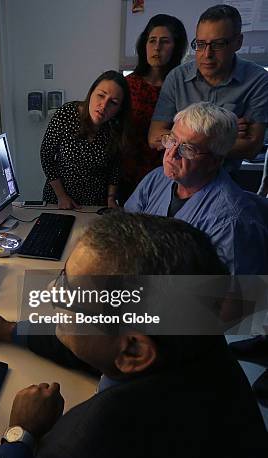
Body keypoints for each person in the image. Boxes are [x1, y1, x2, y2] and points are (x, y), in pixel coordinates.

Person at [0, 213, 266, 457]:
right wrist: (9, 329)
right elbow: (96, 342)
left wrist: (20, 434)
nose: (50, 293)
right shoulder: (194, 340)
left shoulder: (85, 444)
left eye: (69, 293)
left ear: (133, 352)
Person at [125, 102, 268, 274]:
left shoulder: (231, 221)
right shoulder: (156, 179)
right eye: (172, 140)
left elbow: (232, 295)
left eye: (187, 149)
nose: (171, 154)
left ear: (214, 161)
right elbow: (127, 233)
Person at [148, 4, 268, 174]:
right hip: (178, 177)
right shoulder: (177, 77)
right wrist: (222, 137)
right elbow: (154, 137)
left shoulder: (257, 80)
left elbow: (251, 147)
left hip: (225, 181)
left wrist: (178, 136)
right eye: (201, 44)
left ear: (238, 42)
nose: (207, 54)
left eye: (218, 44)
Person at [40, 70, 132, 209]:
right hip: (60, 200)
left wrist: (111, 198)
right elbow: (46, 155)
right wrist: (61, 196)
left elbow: (115, 166)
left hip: (95, 204)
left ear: (119, 109)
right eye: (100, 95)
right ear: (91, 93)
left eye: (113, 102)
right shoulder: (65, 115)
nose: (104, 105)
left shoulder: (115, 127)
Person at [120, 14, 187, 202]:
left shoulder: (182, 87)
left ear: (176, 47)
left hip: (169, 175)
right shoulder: (128, 85)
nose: (157, 48)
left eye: (165, 42)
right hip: (129, 175)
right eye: (152, 41)